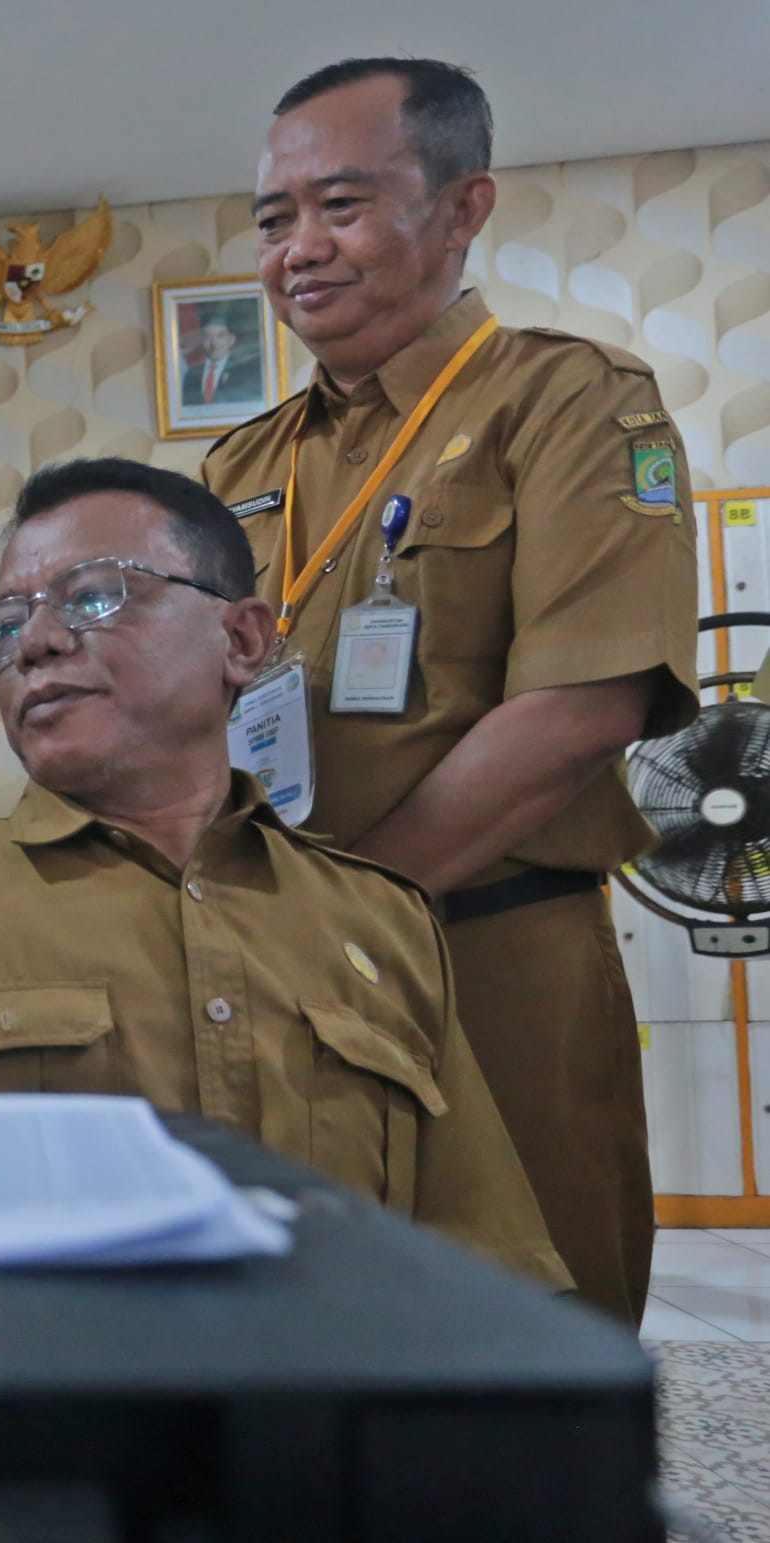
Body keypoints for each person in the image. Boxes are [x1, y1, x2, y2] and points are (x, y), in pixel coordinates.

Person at [0, 458, 568, 1289]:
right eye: (8, 622)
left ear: (241, 640)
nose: (34, 643)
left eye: (93, 596)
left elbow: (485, 1264)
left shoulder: (380, 920)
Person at [199, 58, 698, 1324]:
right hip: (273, 967)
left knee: (529, 1324)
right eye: (273, 219)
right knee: (305, 1315)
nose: (299, 249)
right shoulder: (240, 464)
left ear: (464, 205)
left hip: (489, 955)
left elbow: (584, 706)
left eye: (341, 205)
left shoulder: (567, 400)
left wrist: (348, 910)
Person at [181, 309, 261, 407]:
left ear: (231, 340)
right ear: (202, 340)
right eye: (208, 336)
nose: (214, 343)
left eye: (220, 336)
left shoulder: (246, 372)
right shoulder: (191, 374)